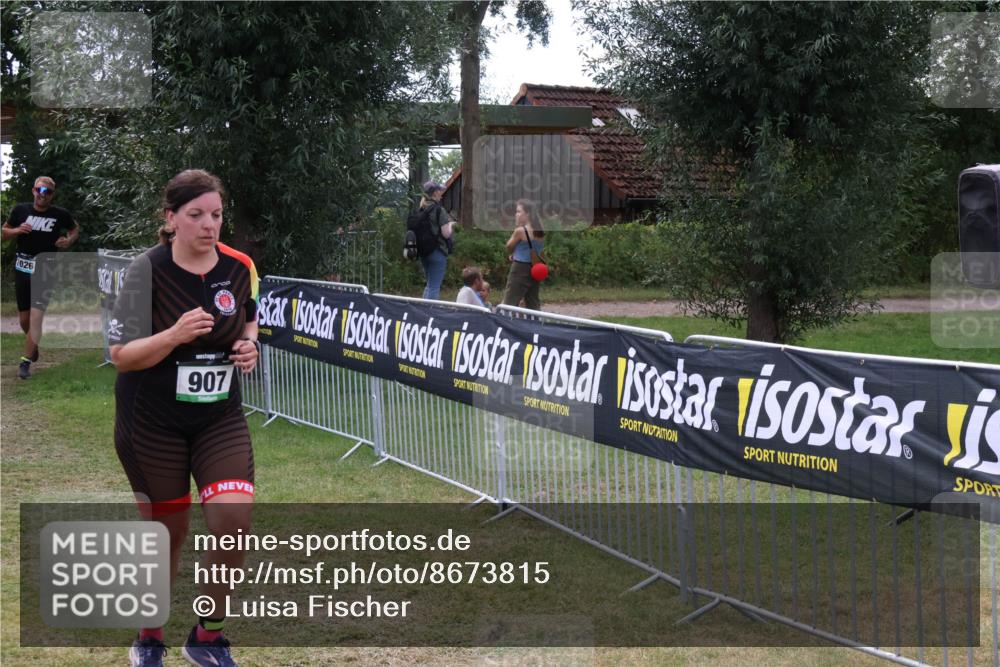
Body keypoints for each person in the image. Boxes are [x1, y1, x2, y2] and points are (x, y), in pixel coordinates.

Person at [108, 169, 259, 667]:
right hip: (151, 421)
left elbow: (250, 317)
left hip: (218, 417)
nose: (209, 226)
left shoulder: (239, 267)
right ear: (170, 218)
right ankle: (150, 636)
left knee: (233, 521)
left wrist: (249, 346)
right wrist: (173, 335)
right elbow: (122, 355)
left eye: (216, 215)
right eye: (196, 216)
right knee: (167, 533)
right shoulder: (143, 272)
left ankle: (207, 637)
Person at [1, 176, 79, 379]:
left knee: (36, 317)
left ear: (52, 195)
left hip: (46, 269)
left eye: (48, 192)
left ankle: (25, 363)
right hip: (23, 268)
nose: (43, 195)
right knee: (24, 319)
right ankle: (32, 346)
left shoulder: (60, 214)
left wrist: (68, 240)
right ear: (33, 191)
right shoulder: (20, 211)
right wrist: (17, 230)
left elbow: (74, 229)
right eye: (40, 190)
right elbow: (4, 232)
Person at [501, 198, 545, 310]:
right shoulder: (540, 230)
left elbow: (508, 246)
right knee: (533, 303)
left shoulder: (520, 231)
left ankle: (505, 325)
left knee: (510, 301)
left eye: (519, 211)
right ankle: (535, 325)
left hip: (520, 268)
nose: (516, 214)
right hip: (536, 268)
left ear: (528, 214)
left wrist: (512, 253)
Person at [417, 180, 455, 300]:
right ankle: (430, 315)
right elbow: (446, 234)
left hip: (423, 251)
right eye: (440, 191)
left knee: (429, 285)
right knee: (434, 287)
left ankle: (422, 312)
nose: (442, 193)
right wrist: (451, 225)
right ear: (434, 193)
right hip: (437, 252)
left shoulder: (422, 209)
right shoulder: (439, 210)